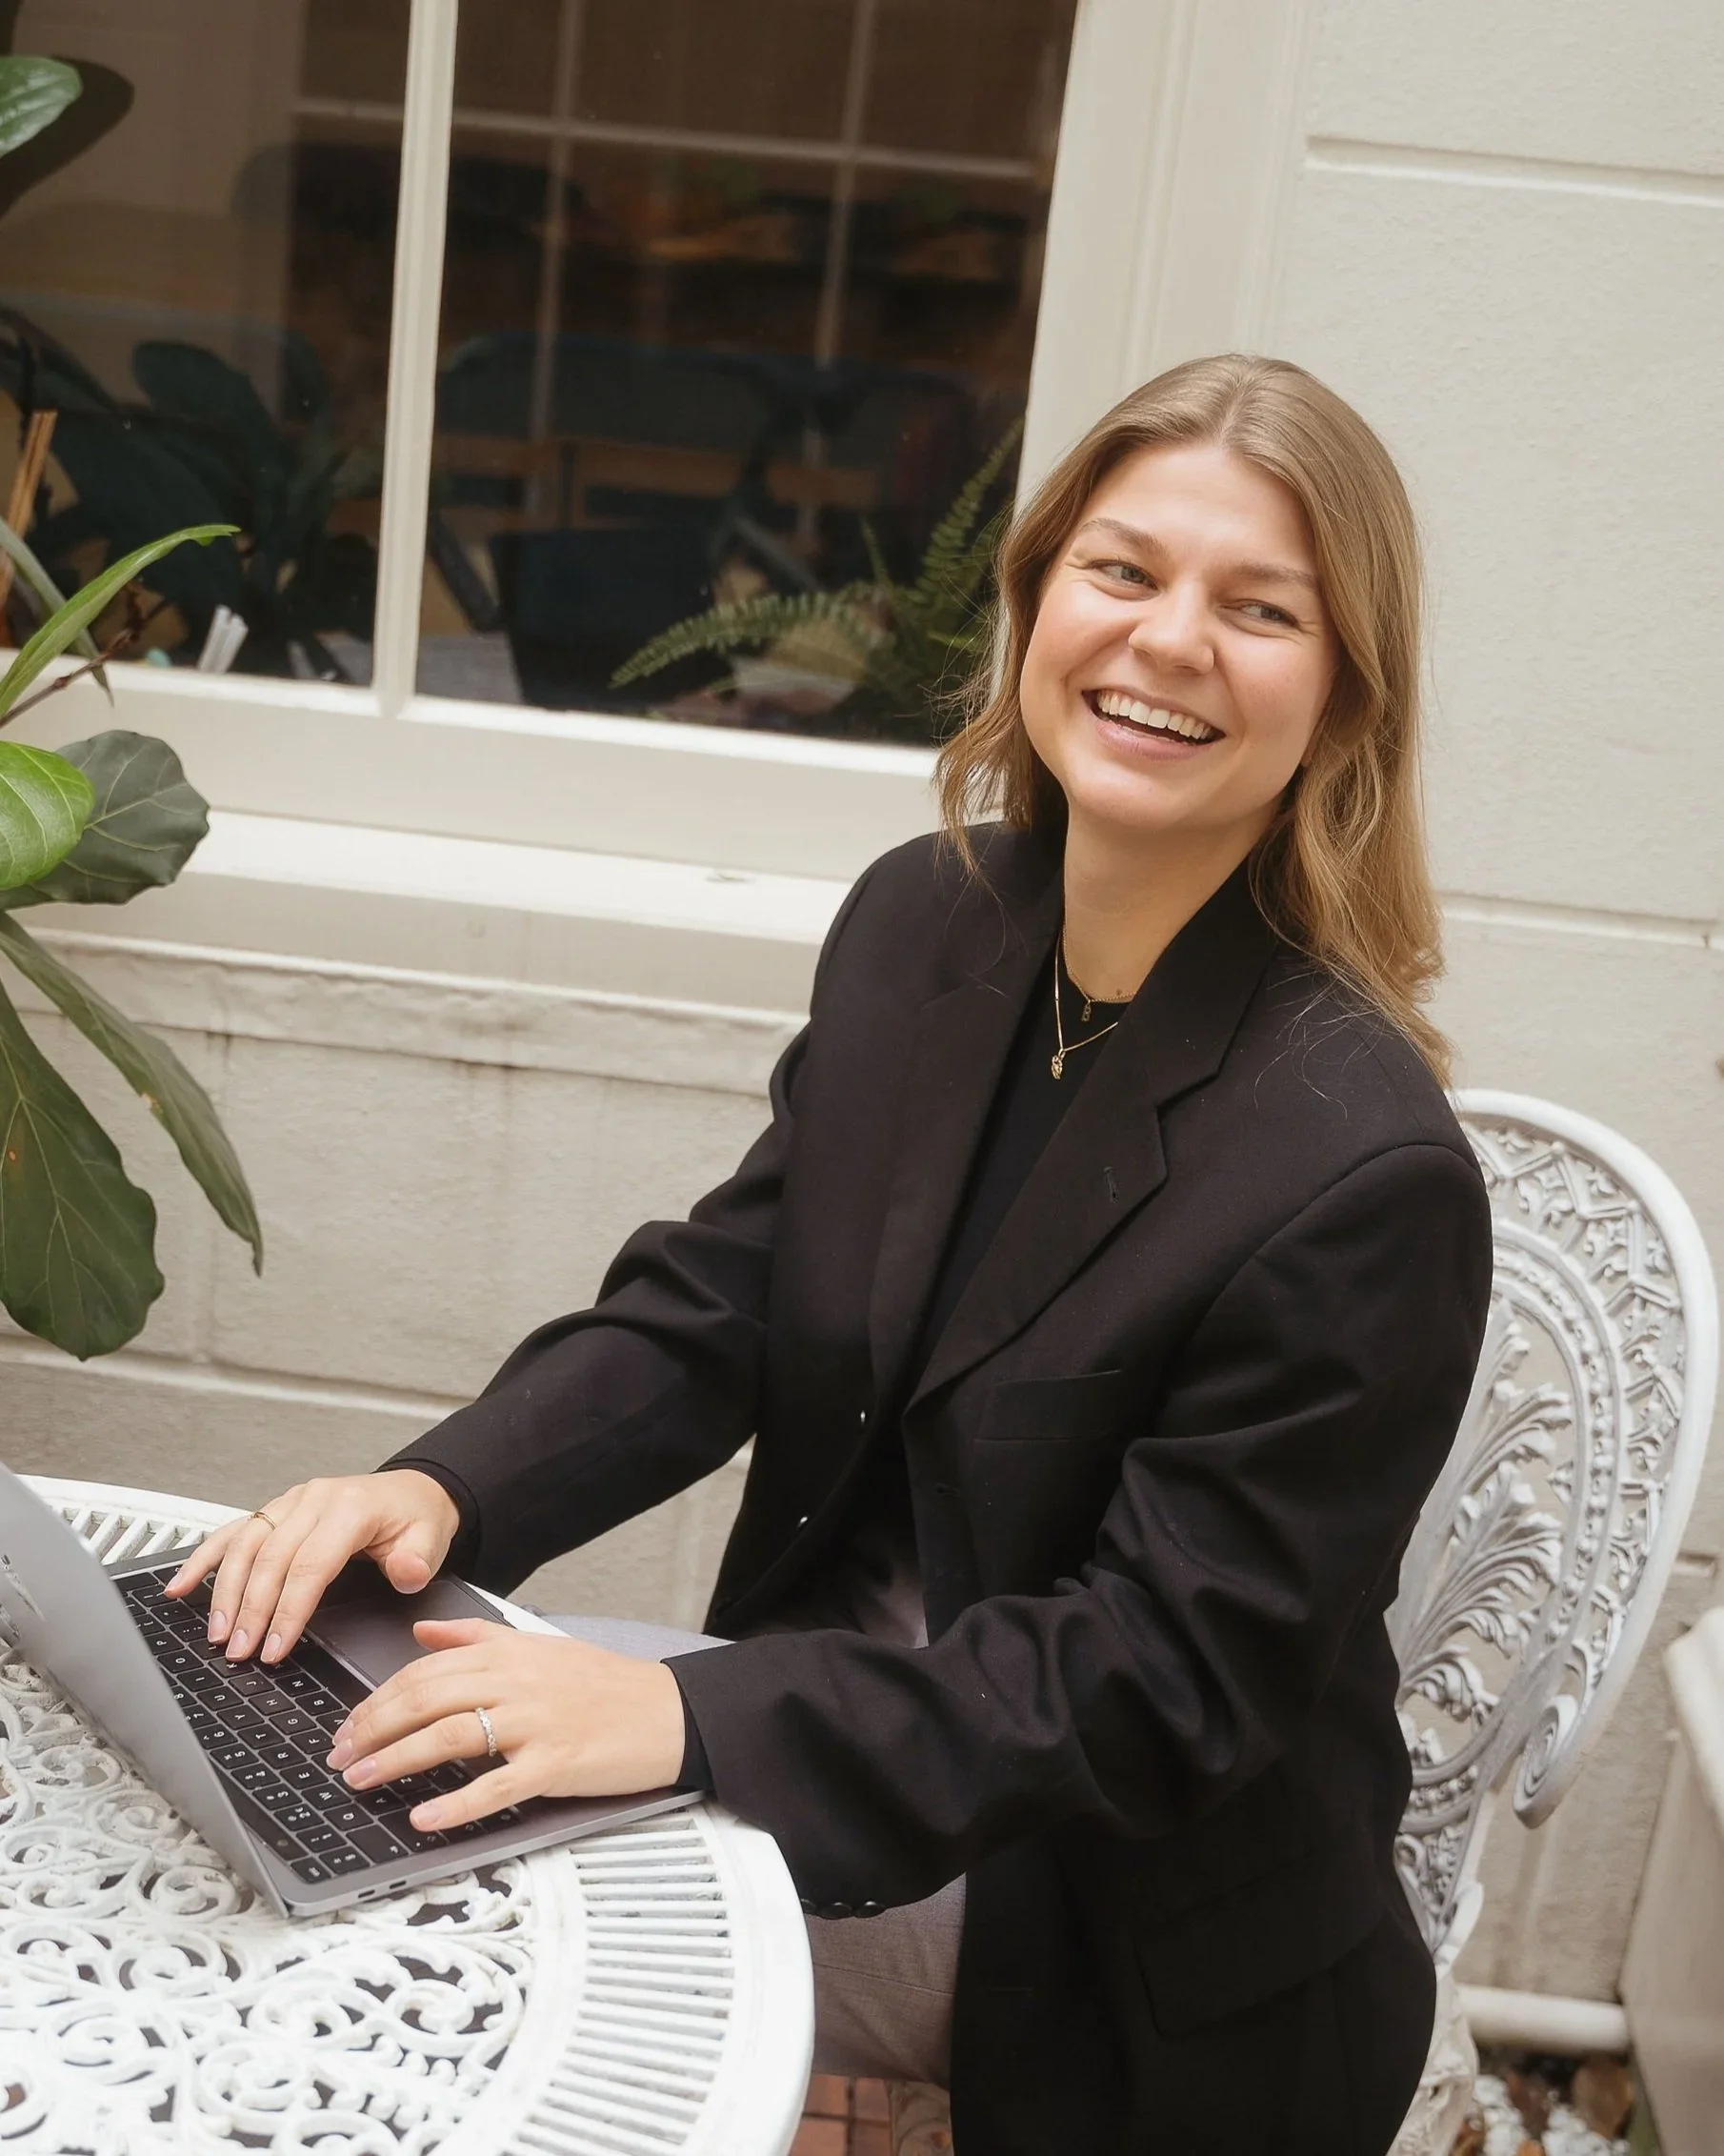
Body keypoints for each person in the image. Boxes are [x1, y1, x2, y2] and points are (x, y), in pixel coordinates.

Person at [170, 353, 1493, 2156]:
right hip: (827, 1723)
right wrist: (443, 1492)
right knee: (315, 1779)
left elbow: (1152, 1679)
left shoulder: (1361, 1171)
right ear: (1034, 604)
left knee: (435, 1927)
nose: (1168, 639)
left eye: (1259, 609)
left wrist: (681, 1718)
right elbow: (723, 1297)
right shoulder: (927, 923)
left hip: (1092, 1913)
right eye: (1122, 571)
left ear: (1342, 700)